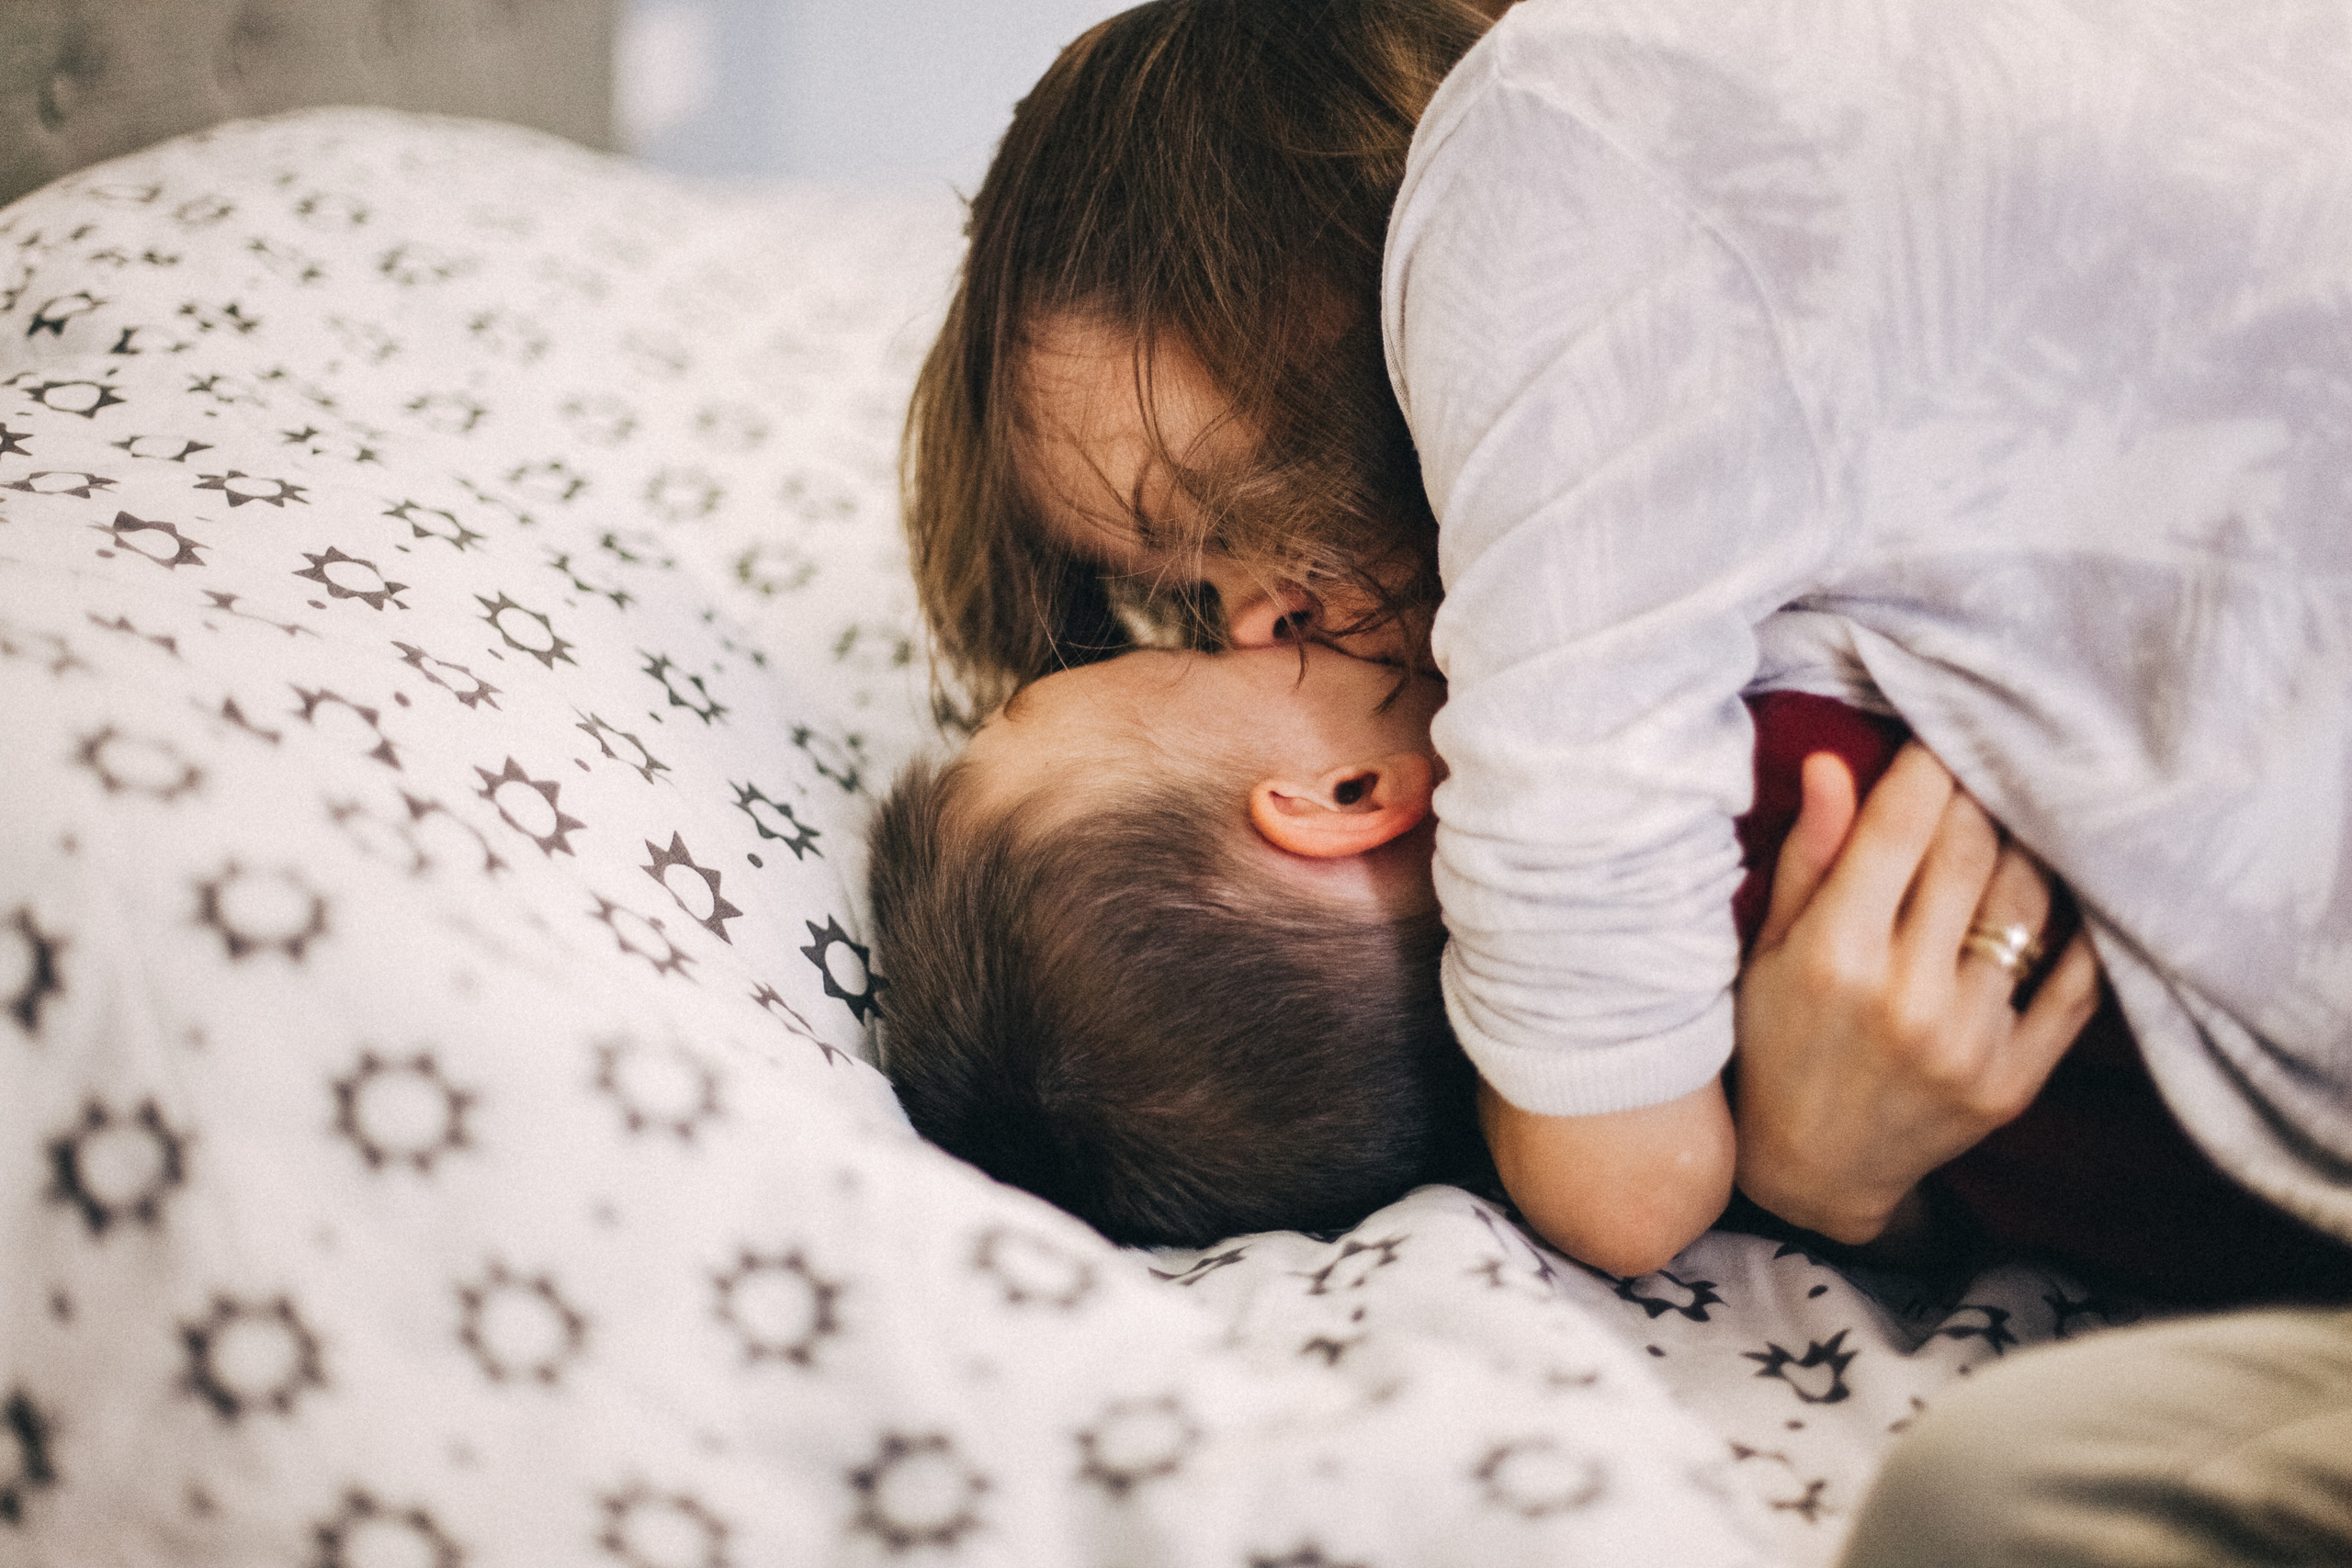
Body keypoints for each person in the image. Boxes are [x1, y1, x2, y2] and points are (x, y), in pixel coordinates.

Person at [901, 0, 2352, 1281]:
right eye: (1191, 605)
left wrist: (1799, 1178)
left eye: (1241, 515)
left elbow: (1624, 1179)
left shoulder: (1556, 141)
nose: (1265, 617)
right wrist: (1866, 1201)